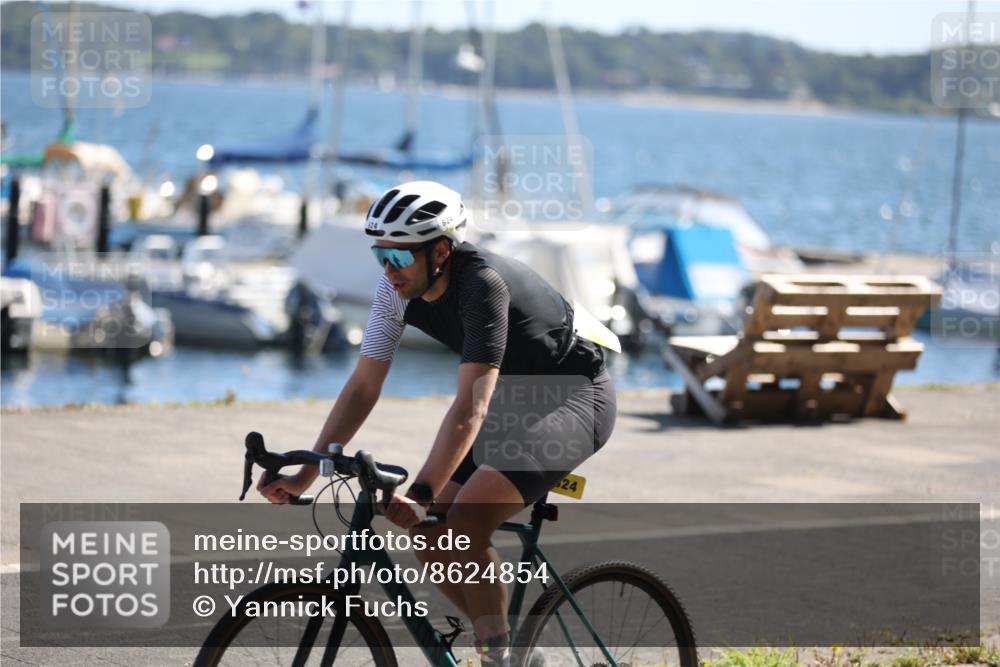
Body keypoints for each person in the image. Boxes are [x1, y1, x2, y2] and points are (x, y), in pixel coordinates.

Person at [259, 180, 617, 665]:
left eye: (400, 258)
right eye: (379, 256)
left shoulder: (482, 286)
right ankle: (513, 653)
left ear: (441, 250)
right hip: (514, 398)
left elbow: (470, 408)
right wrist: (311, 467)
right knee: (430, 533)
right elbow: (364, 386)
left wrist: (422, 491)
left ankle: (498, 658)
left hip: (574, 395)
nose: (388, 271)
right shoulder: (396, 293)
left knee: (464, 521)